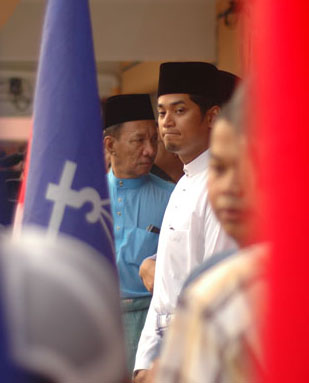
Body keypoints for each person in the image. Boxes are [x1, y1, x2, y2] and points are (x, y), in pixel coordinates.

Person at [155, 84, 268, 383]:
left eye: (252, 165)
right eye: (220, 167)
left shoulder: (218, 294)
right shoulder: (212, 291)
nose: (232, 186)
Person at [133, 62, 238, 382]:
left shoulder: (222, 187)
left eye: (179, 110)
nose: (167, 122)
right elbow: (163, 297)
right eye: (162, 112)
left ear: (213, 116)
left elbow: (219, 297)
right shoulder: (183, 182)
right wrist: (142, 366)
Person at [103, 94, 174, 374]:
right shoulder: (87, 199)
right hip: (99, 317)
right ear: (111, 145)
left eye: (153, 140)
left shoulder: (173, 197)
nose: (149, 150)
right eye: (138, 141)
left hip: (150, 320)